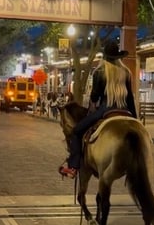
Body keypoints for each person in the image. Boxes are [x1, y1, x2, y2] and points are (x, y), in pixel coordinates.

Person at [59, 42, 138, 179]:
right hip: (126, 111)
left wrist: (94, 97)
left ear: (105, 57)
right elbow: (130, 98)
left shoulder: (100, 72)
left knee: (77, 131)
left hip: (106, 109)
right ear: (118, 57)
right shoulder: (126, 72)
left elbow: (94, 97)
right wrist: (135, 120)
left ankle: (73, 167)